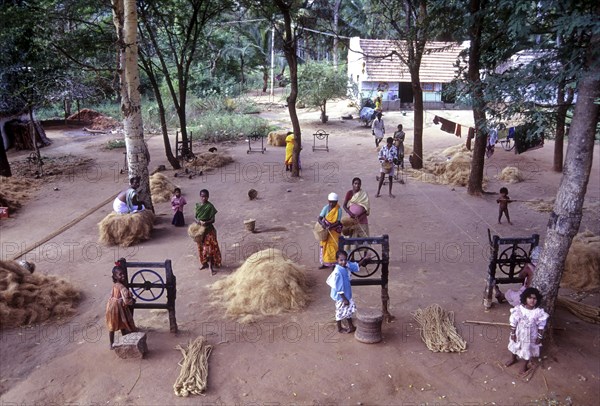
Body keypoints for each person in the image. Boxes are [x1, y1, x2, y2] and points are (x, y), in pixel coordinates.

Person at [505, 287, 549, 375]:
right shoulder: (519, 309)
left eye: (534, 298)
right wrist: (513, 333)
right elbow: (513, 322)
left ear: (537, 300)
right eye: (529, 298)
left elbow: (541, 325)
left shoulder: (538, 312)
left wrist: (540, 336)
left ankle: (524, 365)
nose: (532, 300)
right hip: (519, 333)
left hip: (531, 335)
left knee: (528, 348)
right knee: (515, 345)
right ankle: (513, 358)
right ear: (525, 298)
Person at [326, 250, 359, 333]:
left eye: (345, 260)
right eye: (341, 260)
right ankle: (339, 328)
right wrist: (344, 299)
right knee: (340, 312)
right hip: (341, 297)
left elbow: (354, 266)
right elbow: (338, 288)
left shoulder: (345, 266)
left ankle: (351, 326)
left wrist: (364, 259)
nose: (343, 262)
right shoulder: (338, 272)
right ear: (337, 260)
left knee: (348, 310)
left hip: (347, 294)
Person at [105, 263, 137, 349]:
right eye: (120, 274)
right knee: (123, 322)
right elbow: (126, 301)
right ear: (115, 277)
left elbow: (112, 295)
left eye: (123, 274)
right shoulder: (122, 287)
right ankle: (124, 341)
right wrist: (132, 301)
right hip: (118, 308)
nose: (123, 276)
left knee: (112, 325)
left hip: (111, 306)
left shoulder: (115, 285)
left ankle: (111, 344)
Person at [195, 189, 222, 274]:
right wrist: (198, 222)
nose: (204, 198)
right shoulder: (197, 206)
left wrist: (206, 222)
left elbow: (213, 220)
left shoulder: (210, 206)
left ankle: (211, 266)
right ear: (200, 197)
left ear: (208, 197)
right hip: (200, 230)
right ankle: (204, 263)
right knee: (200, 247)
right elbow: (195, 217)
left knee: (209, 249)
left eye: (206, 196)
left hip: (209, 230)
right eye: (202, 196)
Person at [318, 192, 343, 269]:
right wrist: (323, 224)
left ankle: (333, 264)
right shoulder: (326, 208)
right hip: (326, 230)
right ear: (328, 201)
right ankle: (325, 263)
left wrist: (330, 227)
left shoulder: (339, 210)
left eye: (334, 202)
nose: (332, 204)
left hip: (334, 230)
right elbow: (319, 218)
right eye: (330, 202)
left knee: (334, 246)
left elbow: (338, 222)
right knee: (324, 246)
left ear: (337, 202)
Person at [343, 177, 370, 243]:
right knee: (351, 239)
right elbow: (344, 206)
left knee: (364, 238)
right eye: (355, 183)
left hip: (362, 220)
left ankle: (365, 253)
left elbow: (366, 208)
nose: (357, 185)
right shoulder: (349, 193)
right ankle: (351, 253)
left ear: (361, 185)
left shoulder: (364, 194)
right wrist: (350, 213)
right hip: (352, 220)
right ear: (352, 184)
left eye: (359, 184)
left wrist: (359, 215)